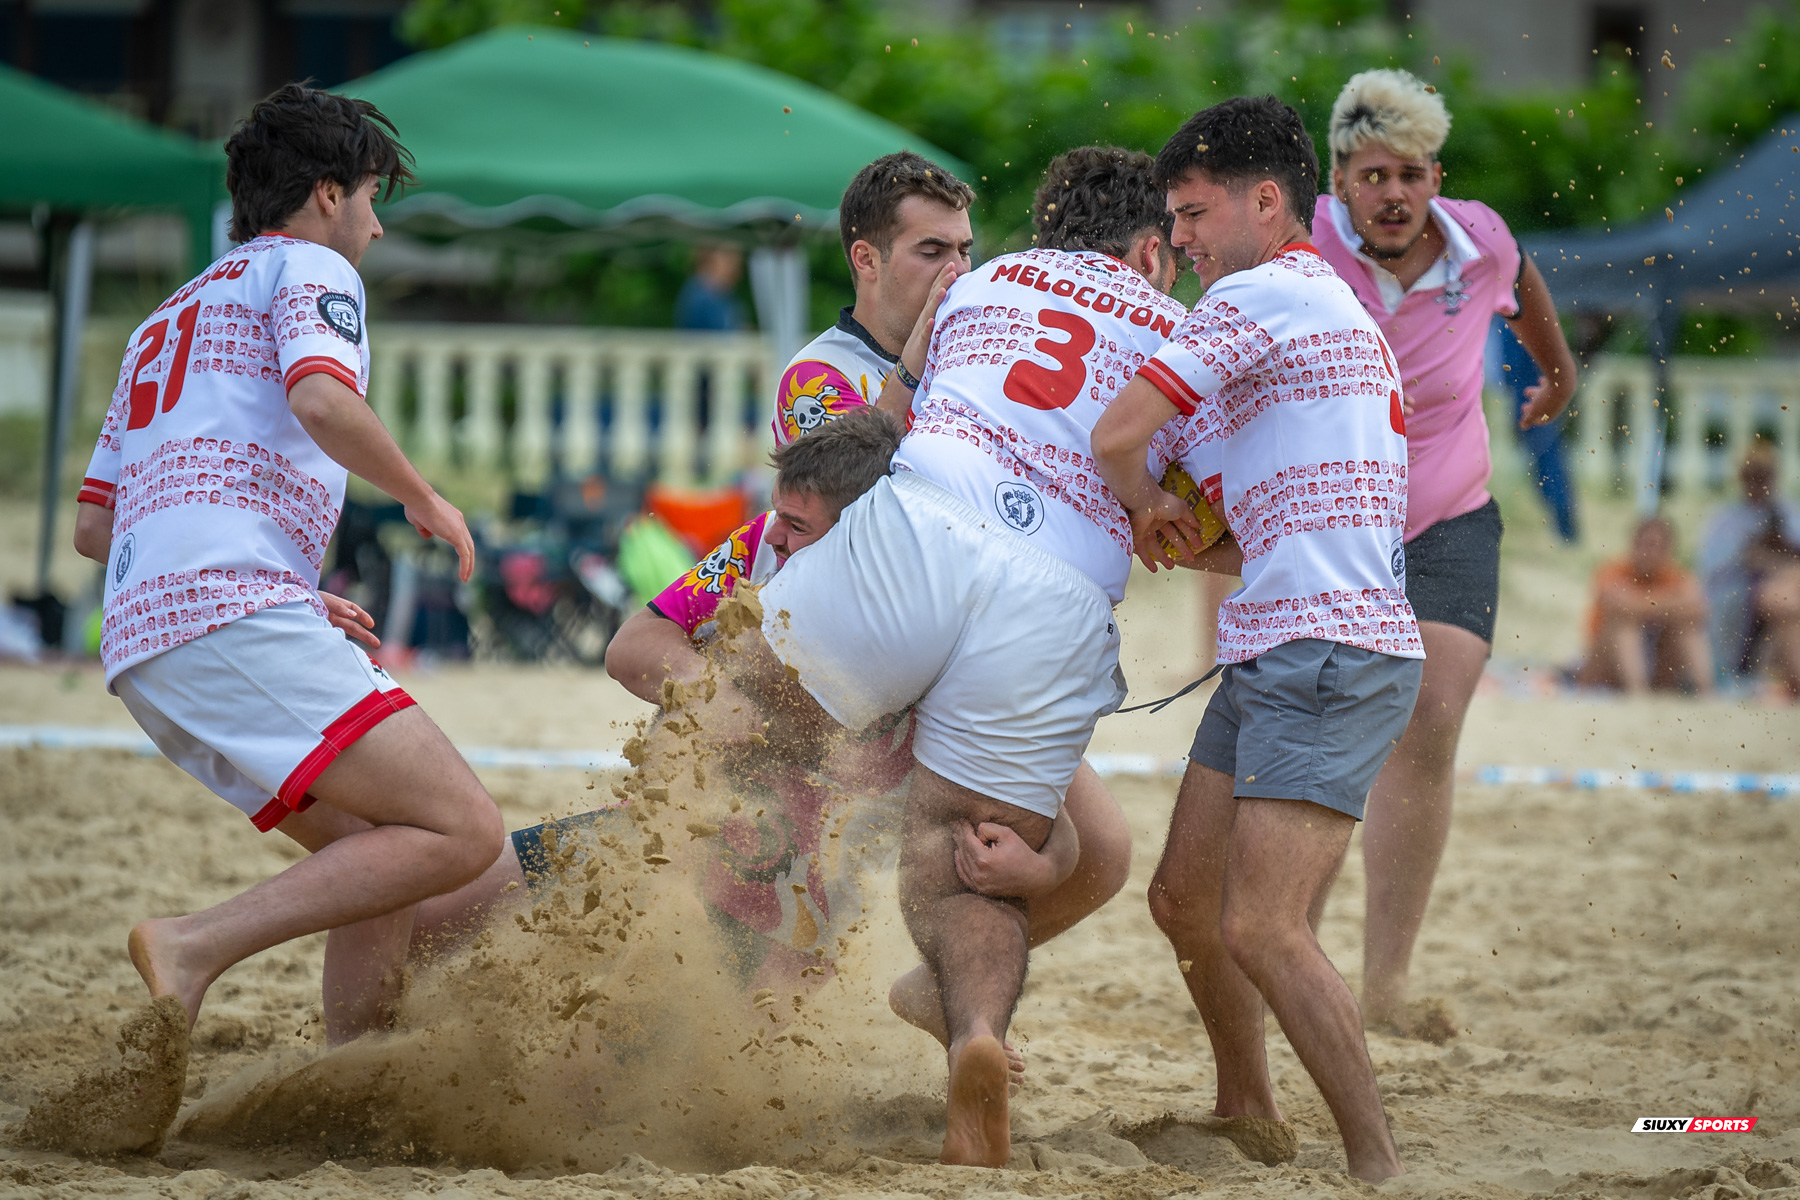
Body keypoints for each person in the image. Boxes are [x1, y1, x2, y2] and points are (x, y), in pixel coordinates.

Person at [400, 411, 1133, 1082]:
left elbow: (1056, 817)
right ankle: (354, 1055)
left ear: (867, 545)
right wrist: (718, 694)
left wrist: (1040, 867)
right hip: (664, 842)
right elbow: (635, 647)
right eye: (778, 516)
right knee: (416, 917)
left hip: (781, 912)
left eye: (796, 524)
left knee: (604, 1082)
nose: (774, 536)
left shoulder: (950, 640)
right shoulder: (762, 549)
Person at [707, 144, 1186, 1167]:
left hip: (928, 516)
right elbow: (1191, 516)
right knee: (965, 870)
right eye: (1176, 249)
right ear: (1149, 247)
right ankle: (975, 1036)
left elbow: (885, 413)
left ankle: (630, 909)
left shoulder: (988, 282)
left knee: (741, 710)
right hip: (1057, 590)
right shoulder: (1181, 332)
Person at [68, 84, 505, 1070]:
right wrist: (423, 497)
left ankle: (355, 1071)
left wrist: (283, 585)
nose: (377, 225)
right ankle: (195, 945)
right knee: (463, 829)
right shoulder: (311, 266)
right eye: (369, 197)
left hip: (145, 638)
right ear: (323, 195)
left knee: (386, 854)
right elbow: (320, 398)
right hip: (222, 611)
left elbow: (99, 525)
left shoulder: (164, 317)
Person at [1091, 96, 1423, 1183]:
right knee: (1186, 902)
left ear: (1266, 202)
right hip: (1294, 639)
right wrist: (1173, 527)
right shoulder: (1305, 314)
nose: (1178, 236)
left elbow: (1115, 436)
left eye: (1190, 213)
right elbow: (1249, 538)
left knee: (1267, 928)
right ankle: (1247, 1109)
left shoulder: (1262, 292)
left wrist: (1141, 507)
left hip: (1326, 649)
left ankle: (1376, 1163)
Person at [1309, 69, 1579, 1036]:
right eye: (1373, 174)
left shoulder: (1480, 240)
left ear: (1437, 177)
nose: (1394, 194)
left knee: (1428, 714)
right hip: (1332, 522)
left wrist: (1556, 368)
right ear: (1338, 177)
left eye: (1412, 175)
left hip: (1452, 511)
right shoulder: (1300, 249)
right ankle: (1291, 957)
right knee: (1331, 731)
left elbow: (1526, 279)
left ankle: (1384, 986)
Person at [771, 152, 974, 444]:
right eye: (932, 252)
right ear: (866, 260)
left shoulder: (964, 361)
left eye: (964, 252)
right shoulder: (815, 375)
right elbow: (857, 483)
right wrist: (912, 364)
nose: (960, 271)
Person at [1699, 444, 1800, 695]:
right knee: (1782, 600)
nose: (1759, 482)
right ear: (1743, 478)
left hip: (1785, 593)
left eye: (1764, 475)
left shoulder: (1789, 513)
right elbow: (1716, 571)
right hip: (1741, 598)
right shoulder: (1725, 519)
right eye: (1753, 475)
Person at [1576, 516, 1712, 694]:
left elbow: (1699, 608)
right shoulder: (1613, 571)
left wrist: (1638, 603)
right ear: (1633, 544)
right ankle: (1638, 694)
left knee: (1687, 628)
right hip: (1607, 668)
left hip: (1660, 667)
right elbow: (1614, 604)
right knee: (1624, 625)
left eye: (1656, 546)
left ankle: (1707, 693)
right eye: (1645, 545)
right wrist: (1670, 603)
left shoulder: (1676, 576)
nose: (1649, 552)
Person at [673, 242, 746, 331]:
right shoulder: (699, 296)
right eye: (729, 258)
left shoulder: (725, 296)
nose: (735, 264)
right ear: (712, 258)